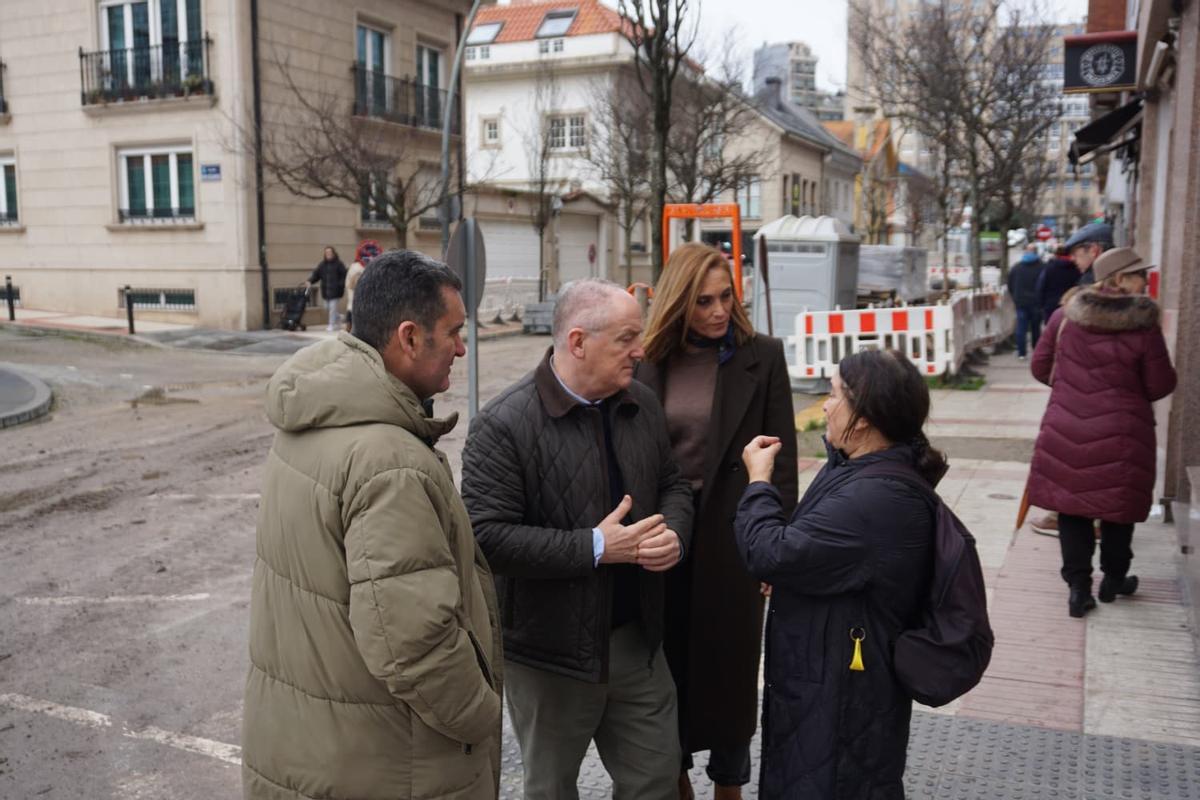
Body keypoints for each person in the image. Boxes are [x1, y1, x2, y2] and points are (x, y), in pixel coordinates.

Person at [242, 250, 503, 799]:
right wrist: (483, 717)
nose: (462, 347)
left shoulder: (314, 415)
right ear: (409, 337)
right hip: (389, 765)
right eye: (453, 333)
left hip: (310, 750)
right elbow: (414, 643)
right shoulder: (389, 460)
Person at [461, 279, 694, 800]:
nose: (641, 350)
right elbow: (486, 538)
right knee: (551, 790)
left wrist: (674, 534)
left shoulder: (643, 404)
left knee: (656, 782)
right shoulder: (503, 425)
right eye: (626, 338)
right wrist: (595, 546)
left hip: (637, 643)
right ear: (577, 342)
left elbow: (672, 484)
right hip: (550, 656)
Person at [735, 349, 945, 800]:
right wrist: (796, 568)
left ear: (865, 418)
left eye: (833, 395)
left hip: (843, 694)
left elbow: (767, 551)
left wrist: (758, 483)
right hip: (827, 674)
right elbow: (815, 549)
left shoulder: (875, 497)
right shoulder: (859, 467)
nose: (826, 406)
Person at [636, 243, 798, 800]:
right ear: (680, 301)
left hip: (736, 539)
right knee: (666, 668)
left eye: (725, 296)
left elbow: (782, 461)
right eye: (702, 300)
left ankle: (729, 786)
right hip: (663, 539)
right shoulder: (648, 360)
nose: (717, 310)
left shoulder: (763, 355)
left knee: (731, 673)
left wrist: (776, 545)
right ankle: (675, 779)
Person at [1028, 247, 1176, 618]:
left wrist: (1071, 391)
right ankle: (1114, 579)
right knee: (1117, 508)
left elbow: (1039, 366)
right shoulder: (1143, 325)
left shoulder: (1065, 317)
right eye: (1139, 273)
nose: (1145, 280)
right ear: (1120, 278)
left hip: (1066, 425)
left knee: (1072, 508)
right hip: (1124, 432)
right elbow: (1159, 385)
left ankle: (1078, 589)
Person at [1008, 244, 1044, 360]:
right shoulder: (1042, 267)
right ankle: (1036, 350)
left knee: (1021, 328)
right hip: (1036, 302)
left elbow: (1010, 284)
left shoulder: (1017, 268)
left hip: (1021, 302)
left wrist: (1015, 297)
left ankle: (1021, 352)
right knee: (1035, 328)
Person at [305, 246, 348, 331]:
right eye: (326, 253)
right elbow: (316, 275)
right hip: (325, 291)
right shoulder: (322, 265)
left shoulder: (339, 264)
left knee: (332, 309)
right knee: (327, 308)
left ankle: (331, 325)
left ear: (333, 253)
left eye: (330, 252)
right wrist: (310, 281)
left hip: (336, 291)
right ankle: (339, 317)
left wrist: (340, 284)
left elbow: (344, 275)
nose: (328, 254)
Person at [1036, 244, 1080, 324]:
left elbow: (1041, 286)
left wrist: (1040, 304)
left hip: (1050, 306)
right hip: (1071, 305)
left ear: (1056, 254)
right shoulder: (1076, 268)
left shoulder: (1049, 268)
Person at [1062, 221, 1113, 286]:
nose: (1072, 259)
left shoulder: (1090, 282)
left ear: (1094, 250)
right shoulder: (1122, 272)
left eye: (1074, 253)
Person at [343, 240, 378, 331]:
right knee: (351, 325)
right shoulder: (356, 267)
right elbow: (350, 284)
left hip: (368, 304)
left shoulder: (374, 267)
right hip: (356, 302)